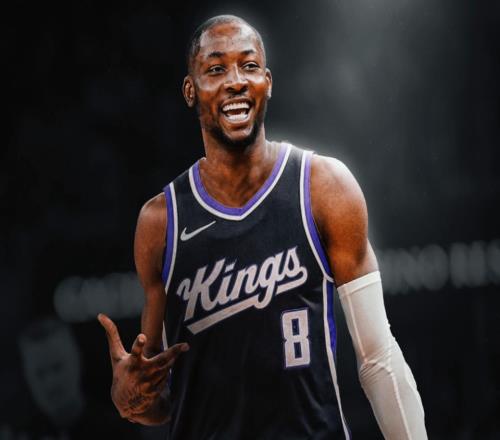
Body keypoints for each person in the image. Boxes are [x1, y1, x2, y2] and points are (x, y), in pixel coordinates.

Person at [98, 15, 428, 439]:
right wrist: (129, 399)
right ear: (191, 90)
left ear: (267, 82)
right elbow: (160, 400)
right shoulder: (160, 222)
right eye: (216, 69)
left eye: (249, 66)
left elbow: (378, 359)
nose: (236, 81)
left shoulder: (323, 186)